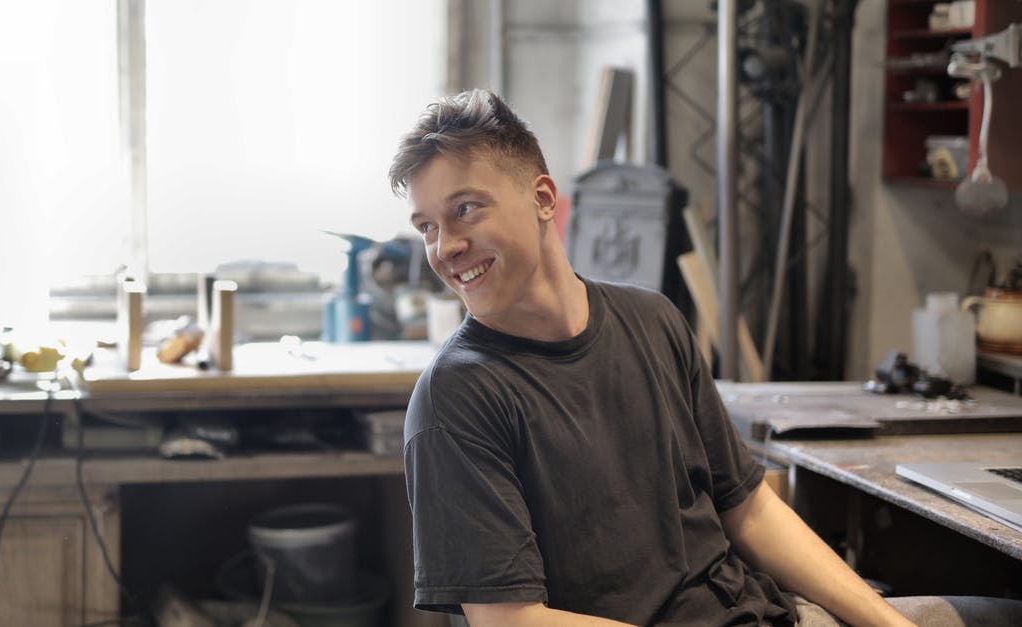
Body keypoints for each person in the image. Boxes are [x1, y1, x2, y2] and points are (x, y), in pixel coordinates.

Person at [387, 89, 1022, 627]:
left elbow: (750, 509)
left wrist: (884, 622)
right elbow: (512, 622)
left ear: (544, 198)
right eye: (427, 226)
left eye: (465, 208)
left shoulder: (652, 319)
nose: (445, 247)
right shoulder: (457, 399)